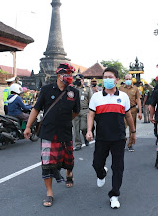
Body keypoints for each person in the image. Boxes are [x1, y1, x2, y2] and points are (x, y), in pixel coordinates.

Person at [23, 63, 80, 207]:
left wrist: (65, 121)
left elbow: (76, 111)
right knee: (47, 163)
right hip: (48, 132)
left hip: (66, 131)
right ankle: (49, 193)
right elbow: (36, 109)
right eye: (67, 74)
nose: (70, 77)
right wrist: (28, 127)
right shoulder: (46, 90)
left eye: (71, 74)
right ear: (59, 75)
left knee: (69, 159)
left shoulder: (74, 92)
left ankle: (68, 174)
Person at [86, 67, 136, 209]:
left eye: (110, 77)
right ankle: (101, 174)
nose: (107, 79)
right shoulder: (96, 97)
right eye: (105, 77)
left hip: (119, 138)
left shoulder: (124, 97)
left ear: (117, 80)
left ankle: (114, 195)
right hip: (102, 137)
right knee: (97, 163)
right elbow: (91, 114)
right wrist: (89, 130)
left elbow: (128, 116)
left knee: (118, 167)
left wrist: (133, 132)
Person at [119, 74, 142, 152]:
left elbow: (138, 100)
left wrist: (140, 112)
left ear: (132, 80)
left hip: (132, 110)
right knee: (122, 127)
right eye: (127, 79)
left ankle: (130, 144)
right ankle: (122, 142)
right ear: (124, 79)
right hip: (122, 110)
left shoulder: (135, 89)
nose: (128, 80)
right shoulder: (120, 88)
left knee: (132, 127)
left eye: (130, 79)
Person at [72, 74, 93, 151]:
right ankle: (78, 144)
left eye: (79, 80)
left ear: (83, 80)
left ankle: (85, 137)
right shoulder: (73, 89)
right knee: (76, 129)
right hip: (75, 111)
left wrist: (91, 111)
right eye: (76, 80)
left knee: (83, 127)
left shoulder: (87, 89)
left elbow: (91, 100)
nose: (78, 81)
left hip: (85, 110)